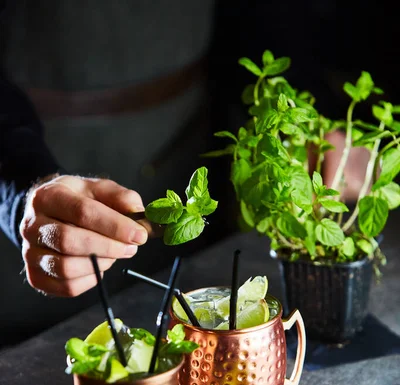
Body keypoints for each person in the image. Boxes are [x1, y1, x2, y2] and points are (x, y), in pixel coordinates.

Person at [1, 0, 397, 347]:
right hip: (25, 227)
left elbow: (257, 19)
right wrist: (21, 188)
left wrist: (325, 128)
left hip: (182, 168)